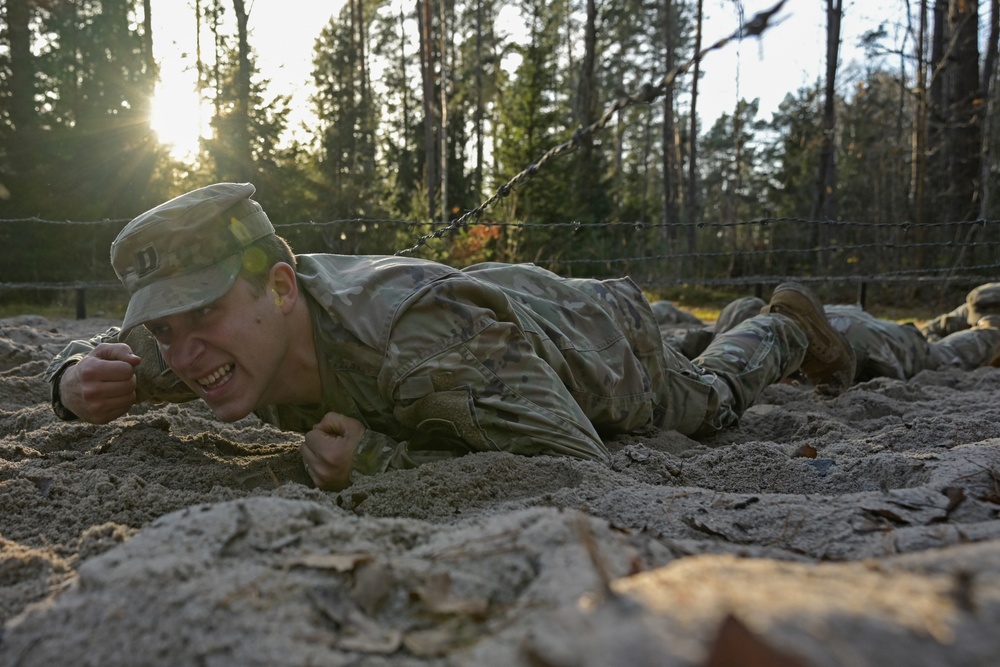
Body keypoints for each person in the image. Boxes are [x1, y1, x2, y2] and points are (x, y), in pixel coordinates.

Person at [46, 182, 855, 491]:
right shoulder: (203, 339)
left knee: (710, 403)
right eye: (164, 328)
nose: (182, 358)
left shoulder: (424, 346)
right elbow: (112, 365)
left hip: (607, 345)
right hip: (514, 317)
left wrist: (374, 459)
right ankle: (747, 320)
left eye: (203, 318)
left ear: (281, 286)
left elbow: (575, 464)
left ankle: (782, 326)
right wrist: (72, 383)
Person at [702, 294, 1000, 383]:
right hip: (858, 323)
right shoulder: (789, 316)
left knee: (945, 353)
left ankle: (987, 322)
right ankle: (971, 311)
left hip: (884, 345)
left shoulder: (767, 348)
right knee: (931, 339)